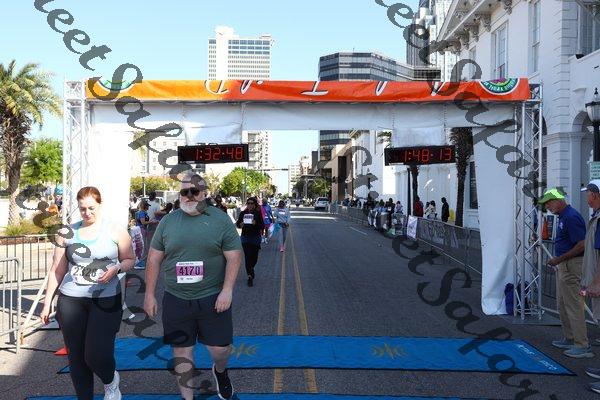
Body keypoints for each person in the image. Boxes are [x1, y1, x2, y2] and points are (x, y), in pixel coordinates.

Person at [143, 173, 242, 400]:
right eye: (184, 192)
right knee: (181, 350)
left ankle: (220, 371)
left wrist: (227, 290)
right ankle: (187, 398)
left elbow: (234, 256)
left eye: (194, 192)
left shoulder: (220, 220)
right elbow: (154, 259)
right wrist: (149, 294)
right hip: (176, 297)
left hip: (212, 296)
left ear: (204, 193)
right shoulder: (168, 222)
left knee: (220, 350)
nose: (189, 196)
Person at [40, 186, 135, 400]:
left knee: (96, 355)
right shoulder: (66, 233)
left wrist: (117, 268)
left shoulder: (115, 230)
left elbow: (130, 259)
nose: (87, 213)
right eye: (82, 208)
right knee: (76, 358)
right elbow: (57, 270)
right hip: (71, 300)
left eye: (91, 208)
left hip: (106, 300)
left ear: (100, 205)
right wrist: (47, 303)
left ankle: (110, 382)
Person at [537, 187, 591, 358]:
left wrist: (559, 259)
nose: (547, 207)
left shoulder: (571, 217)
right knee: (562, 304)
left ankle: (582, 344)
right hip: (565, 265)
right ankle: (570, 337)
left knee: (573, 305)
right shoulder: (564, 216)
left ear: (558, 200)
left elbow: (581, 244)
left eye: (548, 203)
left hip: (571, 265)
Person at [577, 181, 600, 393]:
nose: (587, 198)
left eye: (588, 194)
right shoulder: (596, 217)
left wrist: (596, 282)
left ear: (595, 194)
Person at [236, 197, 264, 287]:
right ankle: (250, 276)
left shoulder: (257, 213)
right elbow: (237, 224)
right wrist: (240, 224)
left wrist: (256, 223)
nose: (250, 205)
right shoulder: (243, 213)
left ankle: (251, 269)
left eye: (252, 203)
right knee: (247, 256)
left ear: (255, 205)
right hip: (245, 238)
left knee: (254, 258)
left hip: (255, 238)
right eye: (248, 203)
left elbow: (262, 226)